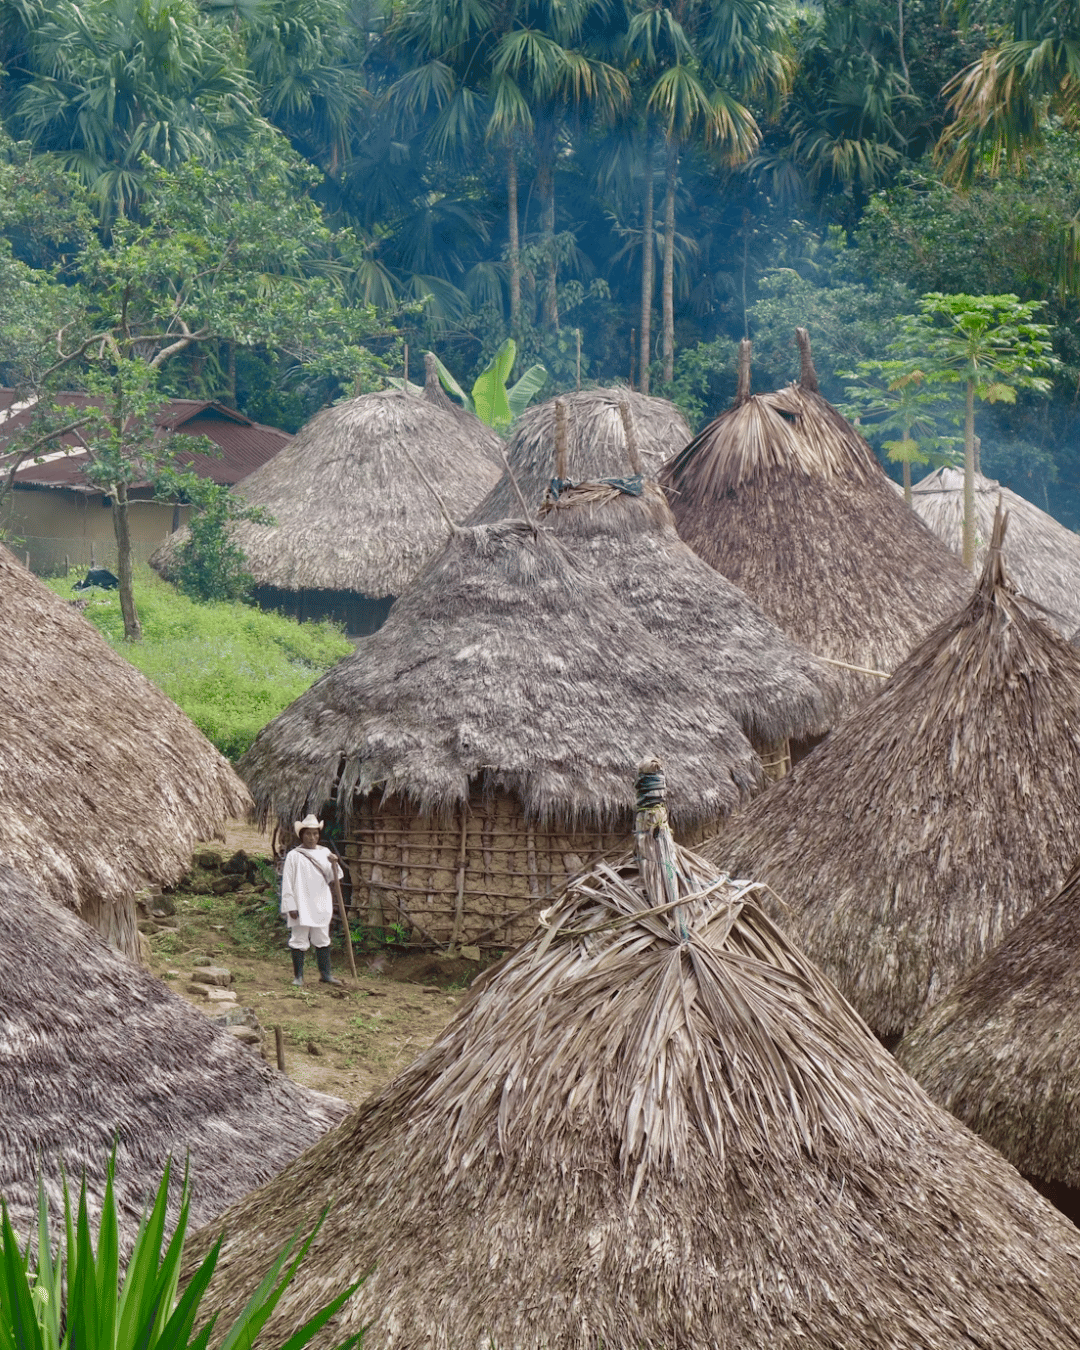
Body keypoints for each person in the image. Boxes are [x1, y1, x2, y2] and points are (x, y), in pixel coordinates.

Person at [280, 814, 344, 987]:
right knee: (299, 938)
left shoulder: (325, 853)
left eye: (315, 834)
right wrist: (290, 905)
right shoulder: (294, 855)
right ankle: (298, 977)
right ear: (302, 835)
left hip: (321, 902)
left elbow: (335, 877)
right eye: (308, 834)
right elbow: (287, 881)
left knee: (322, 938)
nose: (312, 837)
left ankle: (326, 974)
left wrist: (334, 863)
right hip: (300, 903)